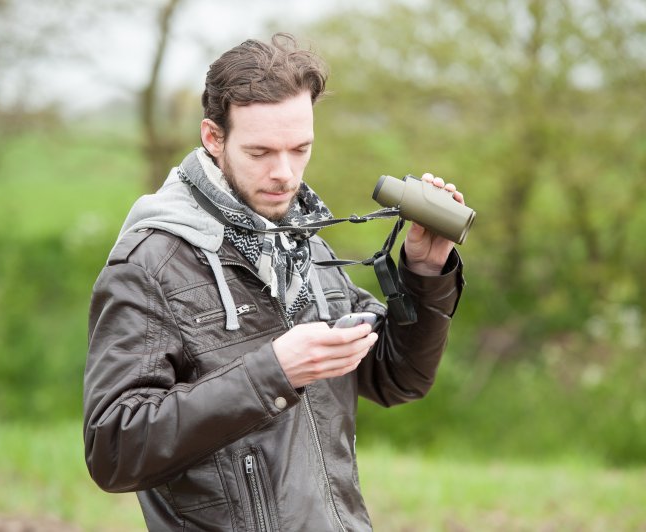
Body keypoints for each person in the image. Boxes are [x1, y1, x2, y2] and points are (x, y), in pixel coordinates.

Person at [83, 33, 465, 531]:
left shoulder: (307, 247)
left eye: (300, 148)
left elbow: (399, 378)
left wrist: (425, 270)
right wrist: (274, 373)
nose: (285, 174)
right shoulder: (150, 265)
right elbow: (113, 449)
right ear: (213, 138)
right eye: (261, 151)